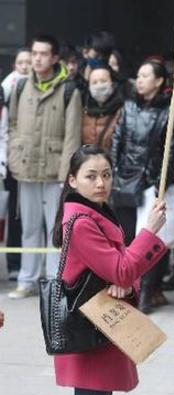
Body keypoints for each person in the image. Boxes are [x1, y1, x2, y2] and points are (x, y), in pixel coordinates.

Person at [52, 145, 167, 395]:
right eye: (91, 176)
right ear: (73, 180)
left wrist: (124, 285)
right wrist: (149, 232)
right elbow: (123, 267)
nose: (101, 183)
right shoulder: (81, 223)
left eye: (106, 174)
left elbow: (122, 268)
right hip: (90, 331)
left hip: (100, 326)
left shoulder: (98, 212)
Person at [7, 34, 82, 299]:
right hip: (26, 167)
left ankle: (54, 280)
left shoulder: (69, 90)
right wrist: (16, 154)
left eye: (43, 54)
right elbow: (13, 124)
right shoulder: (20, 87)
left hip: (55, 170)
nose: (37, 58)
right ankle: (27, 279)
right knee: (28, 226)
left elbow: (73, 135)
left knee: (55, 228)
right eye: (34, 53)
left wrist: (67, 175)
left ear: (54, 58)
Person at [111, 59, 174, 313]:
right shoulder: (128, 107)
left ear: (159, 81)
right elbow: (118, 142)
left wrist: (160, 182)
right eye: (138, 75)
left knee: (150, 238)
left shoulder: (168, 111)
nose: (139, 80)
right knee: (125, 237)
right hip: (125, 181)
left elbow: (169, 151)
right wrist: (114, 173)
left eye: (145, 75)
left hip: (150, 183)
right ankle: (127, 287)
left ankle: (148, 290)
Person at [1, 48, 31, 280]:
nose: (25, 66)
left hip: (18, 162)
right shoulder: (8, 87)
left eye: (27, 62)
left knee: (18, 215)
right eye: (20, 62)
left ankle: (19, 265)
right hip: (11, 161)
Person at [82, 63, 123, 152]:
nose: (99, 86)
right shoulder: (83, 111)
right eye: (94, 82)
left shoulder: (122, 111)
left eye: (103, 81)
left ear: (111, 83)